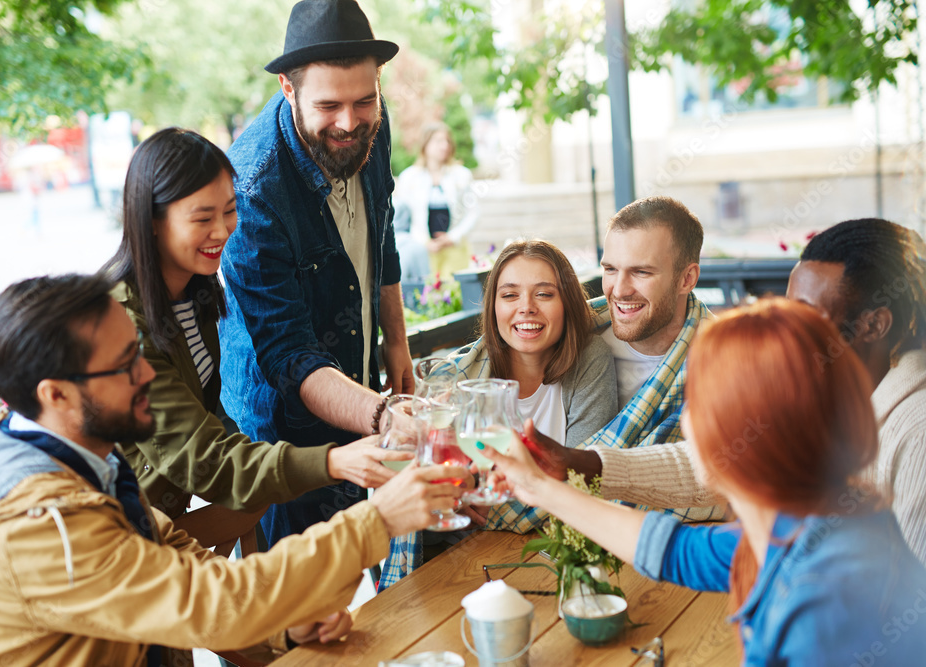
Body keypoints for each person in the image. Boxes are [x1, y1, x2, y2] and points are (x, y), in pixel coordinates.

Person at [0, 273, 466, 666]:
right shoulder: (45, 524)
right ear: (56, 394)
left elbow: (176, 561)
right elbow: (213, 603)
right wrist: (379, 521)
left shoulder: (71, 454)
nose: (147, 376)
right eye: (124, 365)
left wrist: (283, 626)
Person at [484, 299, 926, 665]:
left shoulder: (824, 602)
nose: (688, 424)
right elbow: (675, 550)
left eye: (697, 404)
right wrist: (539, 488)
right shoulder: (804, 527)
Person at [103, 127, 406, 550]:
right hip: (112, 547)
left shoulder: (196, 291)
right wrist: (334, 461)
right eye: (202, 218)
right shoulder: (120, 324)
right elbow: (202, 457)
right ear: (152, 222)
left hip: (159, 531)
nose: (224, 230)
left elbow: (209, 422)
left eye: (229, 210)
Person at [558, 218, 926, 563]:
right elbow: (724, 459)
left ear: (874, 324)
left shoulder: (917, 432)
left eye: (805, 313)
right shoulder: (829, 385)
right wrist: (584, 464)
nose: (787, 329)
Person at [220, 0, 414, 548]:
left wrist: (395, 340)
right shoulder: (252, 188)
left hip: (358, 390)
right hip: (281, 434)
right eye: (328, 106)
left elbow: (384, 228)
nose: (349, 123)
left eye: (363, 101)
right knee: (298, 599)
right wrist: (383, 416)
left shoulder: (371, 124)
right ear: (288, 88)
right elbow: (288, 354)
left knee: (356, 568)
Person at [378, 239, 619, 588]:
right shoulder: (459, 378)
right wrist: (451, 498)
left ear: (567, 303)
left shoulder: (590, 357)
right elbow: (423, 490)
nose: (526, 308)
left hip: (550, 555)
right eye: (509, 296)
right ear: (493, 308)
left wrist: (486, 505)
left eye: (545, 294)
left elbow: (584, 481)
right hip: (459, 562)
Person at [498, 196, 722, 529]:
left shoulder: (725, 361)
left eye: (641, 272)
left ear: (686, 279)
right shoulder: (574, 332)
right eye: (610, 269)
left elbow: (721, 483)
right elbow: (480, 359)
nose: (618, 289)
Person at [394, 121, 479, 279]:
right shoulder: (409, 178)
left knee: (456, 295)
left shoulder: (462, 175)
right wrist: (425, 242)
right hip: (423, 251)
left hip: (455, 249)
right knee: (429, 295)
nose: (444, 145)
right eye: (438, 141)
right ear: (425, 144)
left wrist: (452, 238)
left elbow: (472, 213)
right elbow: (403, 220)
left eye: (447, 141)